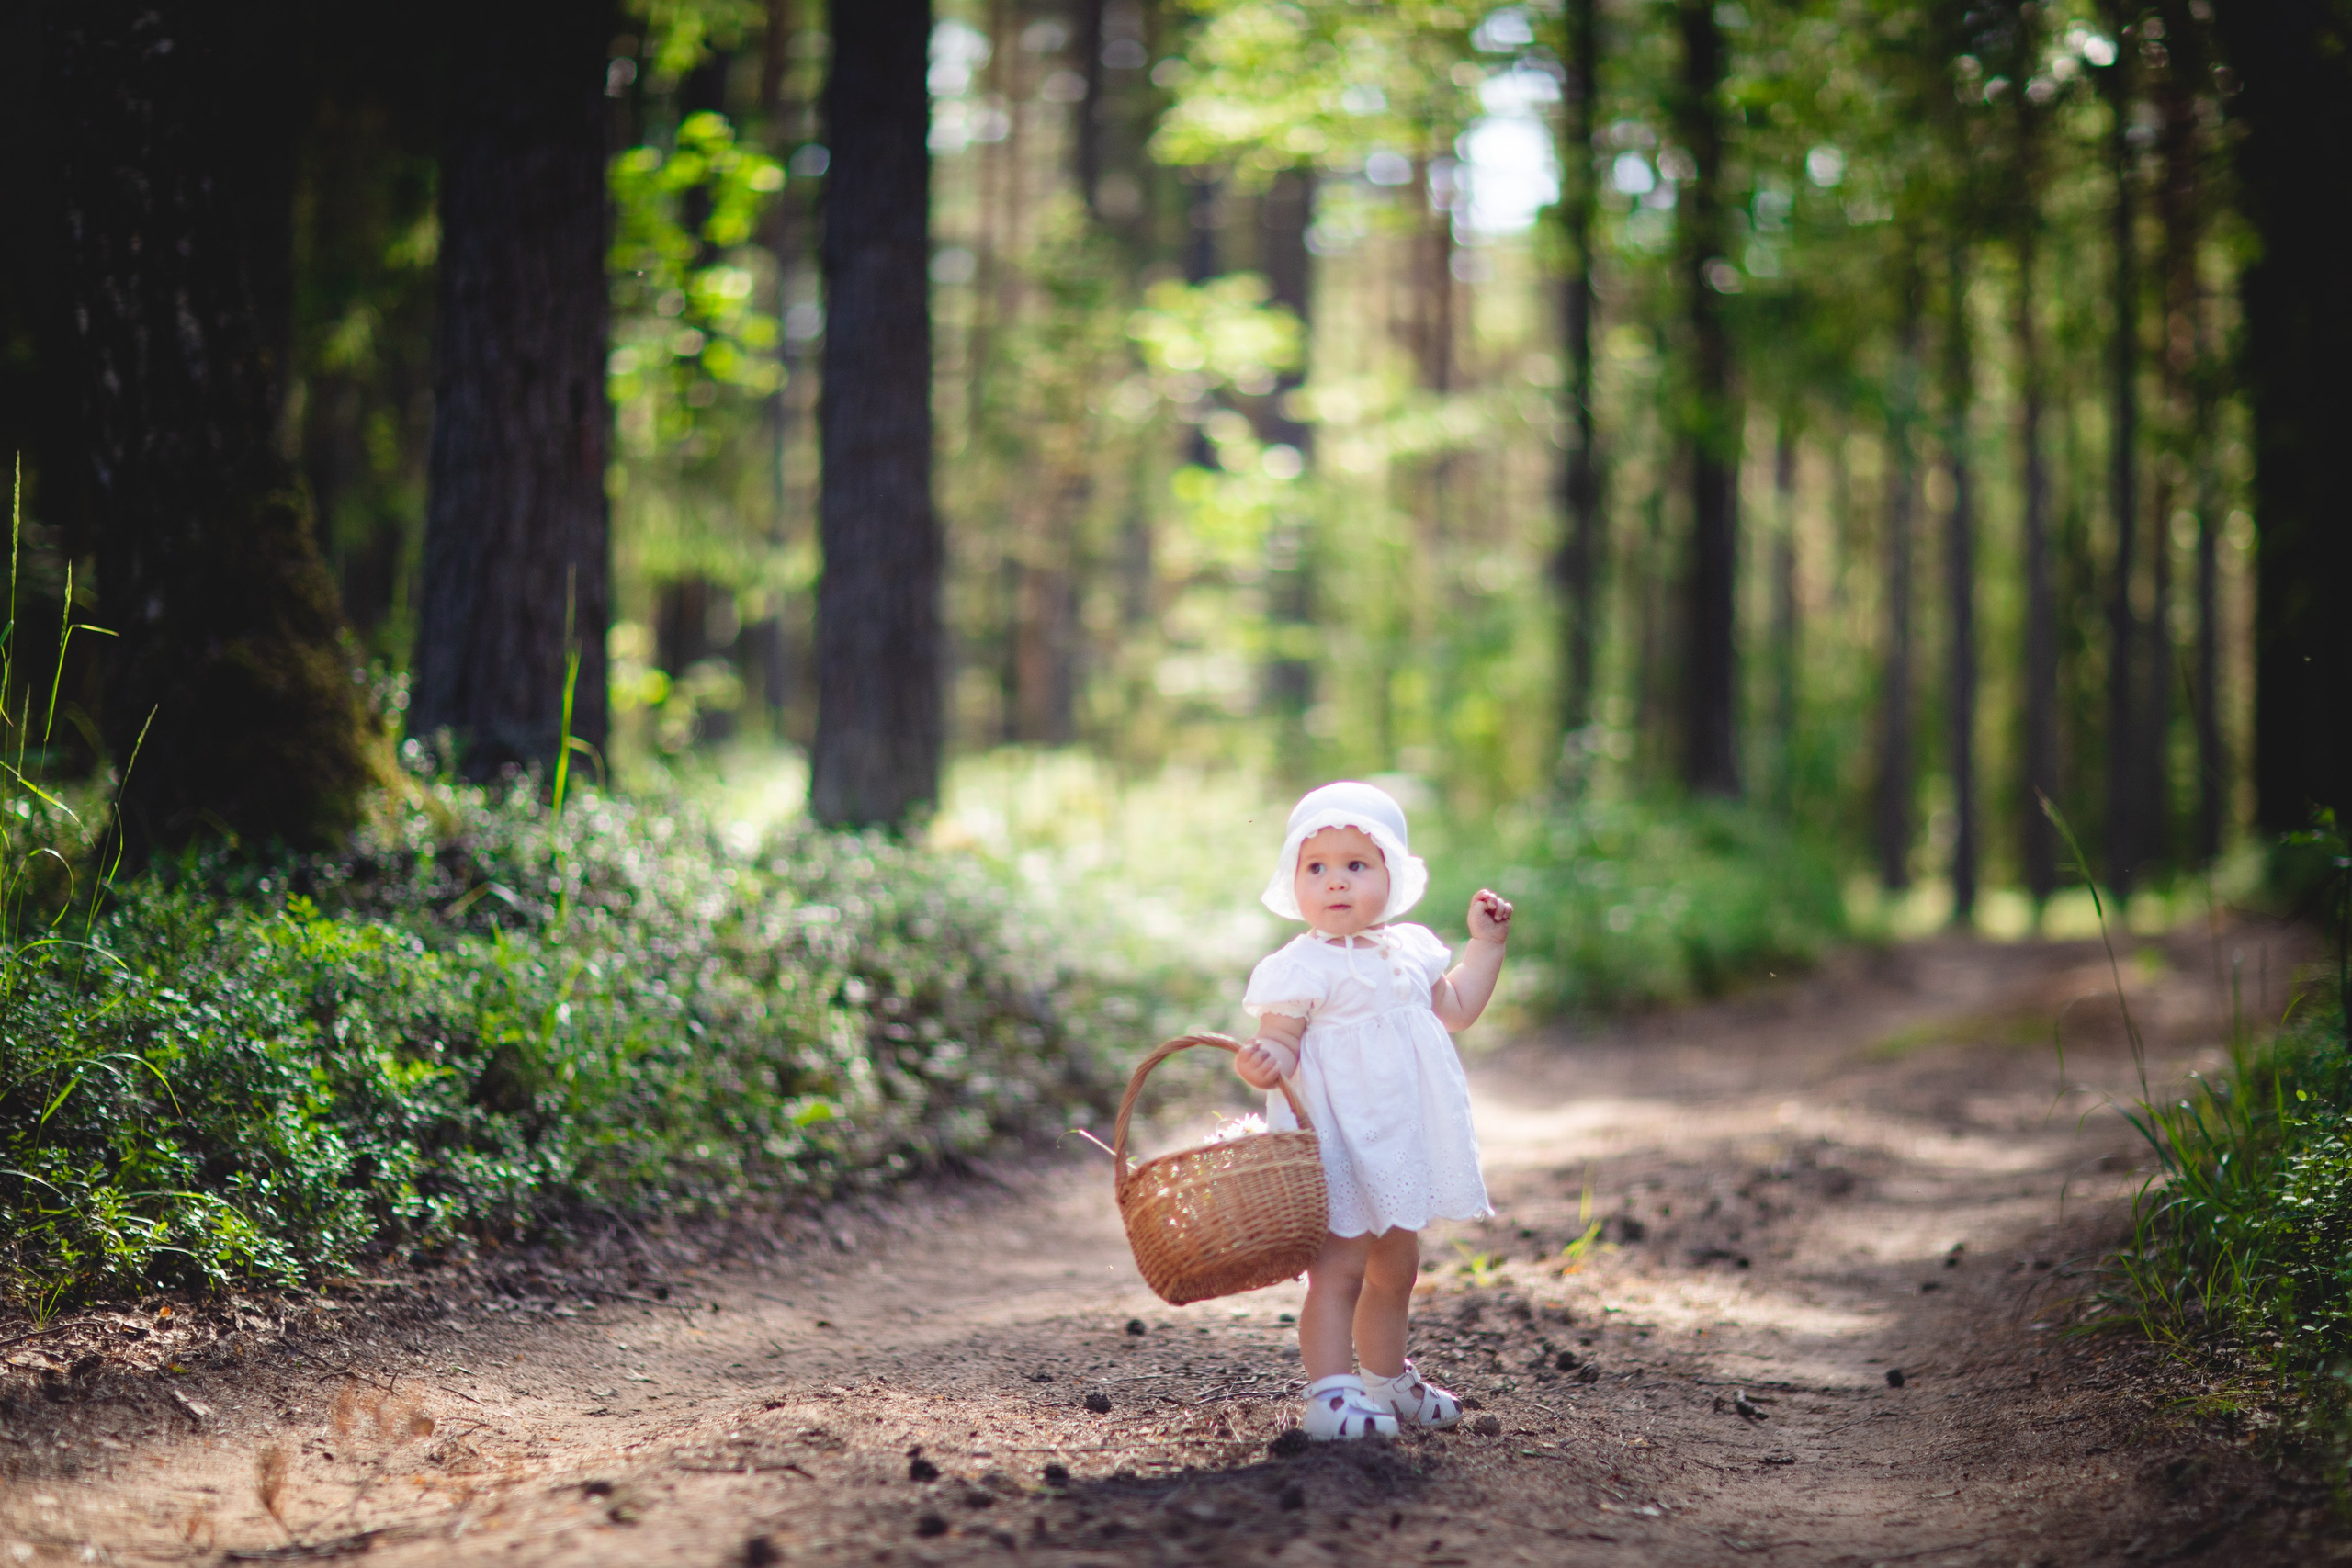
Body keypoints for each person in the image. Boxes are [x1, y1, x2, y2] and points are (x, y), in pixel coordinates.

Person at [1233, 781, 1512, 1440]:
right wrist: (1261, 1060)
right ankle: (1330, 1392)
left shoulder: (1413, 948)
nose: (1336, 881)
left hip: (1399, 1140)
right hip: (1338, 1141)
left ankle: (1385, 1381)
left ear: (1393, 874)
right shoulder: (1298, 966)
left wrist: (1486, 946)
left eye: (1356, 865)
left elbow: (1458, 1009)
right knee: (1338, 1268)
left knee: (1397, 1266)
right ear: (1293, 881)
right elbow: (1278, 1039)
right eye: (1317, 867)